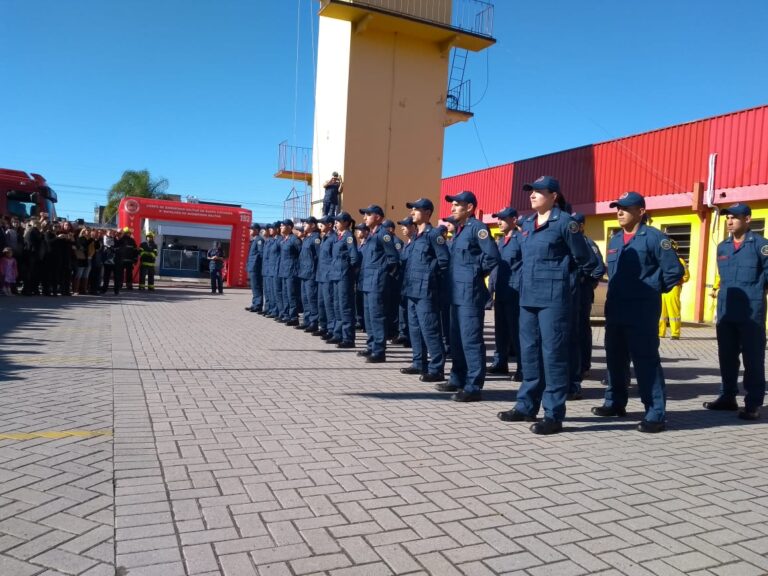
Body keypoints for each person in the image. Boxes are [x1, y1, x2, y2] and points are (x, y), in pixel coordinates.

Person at [497, 177, 597, 434]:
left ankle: (553, 414)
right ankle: (526, 406)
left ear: (554, 196)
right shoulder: (527, 224)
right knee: (529, 354)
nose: (533, 195)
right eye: (531, 191)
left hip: (554, 300)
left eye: (539, 191)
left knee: (553, 356)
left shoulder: (565, 223)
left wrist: (570, 287)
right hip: (528, 298)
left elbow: (585, 260)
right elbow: (521, 259)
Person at [592, 191, 684, 433]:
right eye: (617, 208)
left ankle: (655, 413)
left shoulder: (654, 238)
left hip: (642, 310)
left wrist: (652, 290)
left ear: (640, 211)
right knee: (615, 359)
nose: (619, 212)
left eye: (625, 208)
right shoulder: (614, 240)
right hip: (616, 308)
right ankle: (615, 403)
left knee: (646, 361)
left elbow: (674, 271)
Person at [704, 203, 768, 420]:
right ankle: (727, 397)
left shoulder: (761, 246)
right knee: (727, 357)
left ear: (748, 219)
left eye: (735, 217)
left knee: (753, 358)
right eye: (728, 218)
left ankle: (753, 404)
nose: (729, 221)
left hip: (751, 314)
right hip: (726, 312)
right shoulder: (722, 247)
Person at [438, 191, 499, 402]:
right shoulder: (459, 231)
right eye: (452, 205)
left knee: (471, 340)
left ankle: (473, 386)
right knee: (456, 339)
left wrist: (475, 274)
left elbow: (492, 256)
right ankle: (457, 378)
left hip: (470, 294)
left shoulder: (477, 229)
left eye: (457, 204)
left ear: (470, 207)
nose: (452, 208)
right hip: (456, 293)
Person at [399, 198, 450, 382]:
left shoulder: (433, 234)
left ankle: (437, 368)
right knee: (414, 328)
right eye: (412, 209)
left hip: (427, 291)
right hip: (412, 290)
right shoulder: (415, 238)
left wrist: (432, 280)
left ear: (428, 213)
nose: (412, 212)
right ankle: (419, 363)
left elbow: (444, 262)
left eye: (416, 209)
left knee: (430, 329)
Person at [567, 213, 606, 399]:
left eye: (575, 224)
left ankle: (584, 366)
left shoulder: (587, 243)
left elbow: (599, 267)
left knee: (581, 330)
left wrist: (587, 281)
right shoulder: (568, 241)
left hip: (582, 293)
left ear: (582, 226)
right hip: (569, 293)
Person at [358, 205, 401, 363]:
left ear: (377, 217)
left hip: (377, 283)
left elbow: (393, 259)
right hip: (367, 282)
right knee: (369, 317)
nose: (364, 218)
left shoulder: (384, 235)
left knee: (377, 317)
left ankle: (379, 350)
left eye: (368, 215)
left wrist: (383, 275)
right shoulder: (370, 235)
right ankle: (371, 346)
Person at [488, 207, 523, 381]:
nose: (498, 222)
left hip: (515, 293)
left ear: (514, 220)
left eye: (502, 218)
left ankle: (523, 368)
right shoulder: (502, 241)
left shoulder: (521, 240)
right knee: (500, 330)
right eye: (498, 218)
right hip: (501, 292)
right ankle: (500, 363)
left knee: (517, 332)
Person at [328, 212, 359, 347]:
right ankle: (338, 334)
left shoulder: (348, 237)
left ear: (346, 223)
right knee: (336, 305)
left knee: (345, 306)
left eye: (338, 221)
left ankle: (348, 338)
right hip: (335, 274)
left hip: (344, 275)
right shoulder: (338, 237)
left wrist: (348, 271)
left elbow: (354, 258)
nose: (335, 223)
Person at [658, 240, 689, 339]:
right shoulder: (661, 260)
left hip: (674, 287)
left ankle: (675, 333)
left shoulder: (679, 260)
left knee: (674, 311)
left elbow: (686, 276)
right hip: (662, 288)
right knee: (661, 312)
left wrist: (679, 282)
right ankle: (660, 332)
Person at [298, 217, 321, 331]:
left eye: (306, 224)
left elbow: (319, 256)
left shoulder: (316, 239)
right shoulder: (307, 238)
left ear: (313, 225)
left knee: (312, 298)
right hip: (304, 272)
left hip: (311, 273)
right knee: (305, 298)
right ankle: (307, 321)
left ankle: (313, 322)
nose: (304, 226)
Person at [315, 216, 336, 338]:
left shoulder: (333, 238)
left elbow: (334, 259)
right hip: (321, 275)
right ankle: (323, 327)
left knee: (329, 303)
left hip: (328, 276)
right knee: (321, 303)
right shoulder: (324, 238)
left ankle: (332, 329)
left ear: (329, 224)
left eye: (322, 223)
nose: (320, 225)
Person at [277, 219, 301, 325]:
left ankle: (293, 317)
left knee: (292, 295)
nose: (281, 227)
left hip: (292, 271)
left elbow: (301, 254)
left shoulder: (295, 239)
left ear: (290, 227)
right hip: (284, 271)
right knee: (285, 294)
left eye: (283, 226)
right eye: (281, 226)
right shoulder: (284, 240)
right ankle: (286, 314)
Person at [245, 223, 264, 312]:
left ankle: (258, 305)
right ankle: (254, 304)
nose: (249, 231)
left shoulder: (259, 240)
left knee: (257, 286)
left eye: (251, 229)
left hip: (256, 267)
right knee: (253, 286)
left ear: (256, 230)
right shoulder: (254, 240)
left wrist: (256, 264)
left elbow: (261, 254)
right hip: (252, 266)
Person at [116, 227, 138, 292]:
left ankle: (129, 285)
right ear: (125, 233)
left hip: (129, 260)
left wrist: (135, 259)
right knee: (120, 273)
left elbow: (135, 251)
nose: (128, 234)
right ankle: (120, 284)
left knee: (129, 273)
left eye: (129, 233)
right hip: (121, 260)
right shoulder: (120, 240)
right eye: (127, 233)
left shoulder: (132, 241)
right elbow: (117, 250)